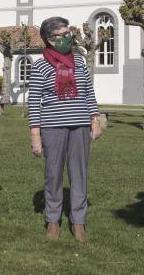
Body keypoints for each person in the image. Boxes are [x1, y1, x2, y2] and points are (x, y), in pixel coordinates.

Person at [28, 17, 101, 243]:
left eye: (68, 33)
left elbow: (88, 92)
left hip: (80, 126)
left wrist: (95, 119)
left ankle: (78, 222)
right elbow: (34, 102)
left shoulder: (79, 61)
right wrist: (35, 135)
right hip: (53, 128)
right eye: (63, 34)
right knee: (53, 175)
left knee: (79, 174)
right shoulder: (40, 65)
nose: (68, 37)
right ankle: (52, 220)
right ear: (50, 40)